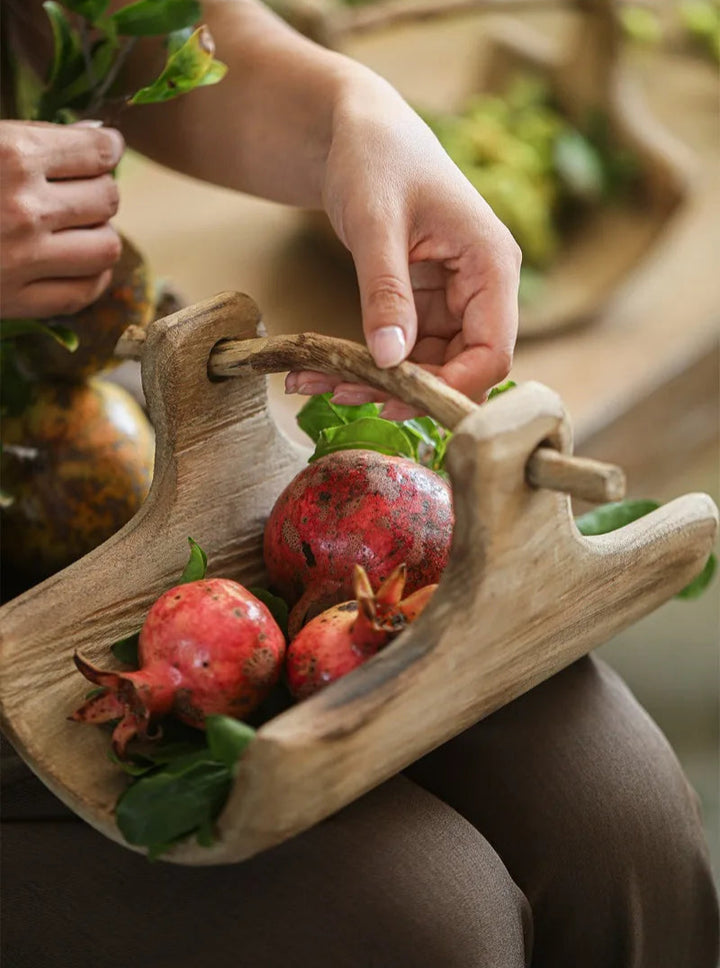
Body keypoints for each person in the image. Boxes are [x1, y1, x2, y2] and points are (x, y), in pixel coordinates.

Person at [1, 3, 717, 967]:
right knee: (417, 918)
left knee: (611, 807)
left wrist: (349, 116)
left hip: (70, 414)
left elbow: (135, 26)